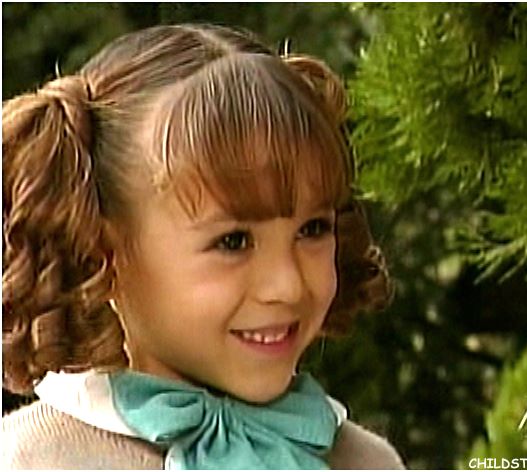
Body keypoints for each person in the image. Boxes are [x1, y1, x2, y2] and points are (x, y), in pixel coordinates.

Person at [2, 23, 404, 469]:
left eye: (312, 229)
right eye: (233, 241)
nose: (287, 285)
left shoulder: (365, 461)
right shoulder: (29, 460)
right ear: (101, 252)